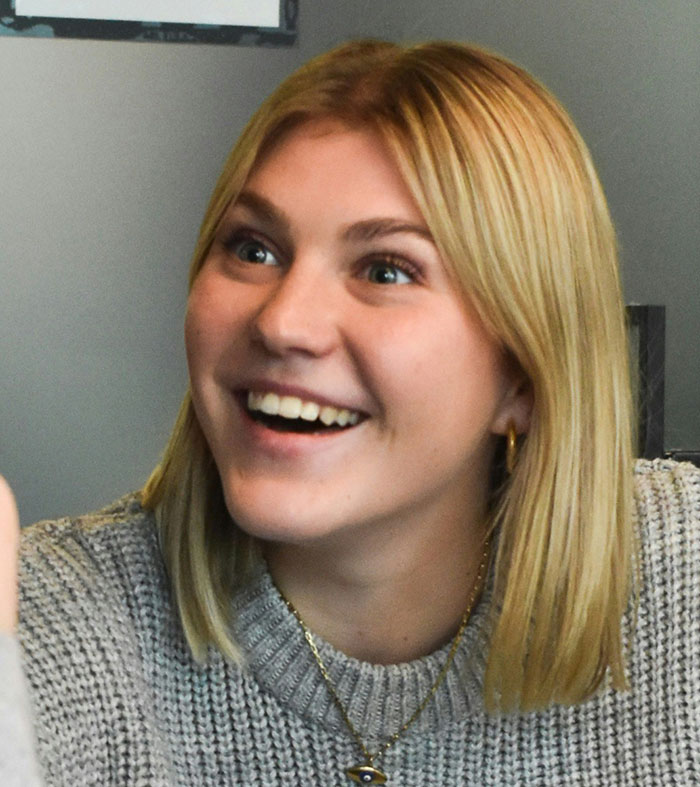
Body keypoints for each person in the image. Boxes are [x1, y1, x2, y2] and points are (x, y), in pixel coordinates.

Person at [1, 39, 698, 786]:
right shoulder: (54, 607)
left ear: (523, 374)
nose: (283, 323)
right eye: (253, 248)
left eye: (386, 270)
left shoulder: (683, 576)